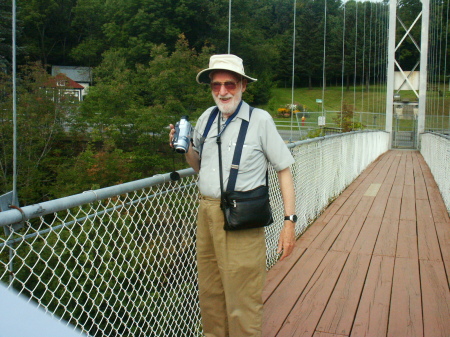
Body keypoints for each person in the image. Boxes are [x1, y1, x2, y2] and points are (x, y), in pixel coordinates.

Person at [169, 54, 296, 337]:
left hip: (242, 217)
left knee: (243, 299)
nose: (222, 91)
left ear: (242, 86)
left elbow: (284, 170)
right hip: (207, 212)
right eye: (216, 85)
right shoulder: (207, 117)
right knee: (211, 293)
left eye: (229, 84)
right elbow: (199, 166)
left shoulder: (260, 120)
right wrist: (185, 146)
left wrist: (289, 222)